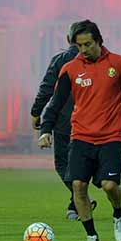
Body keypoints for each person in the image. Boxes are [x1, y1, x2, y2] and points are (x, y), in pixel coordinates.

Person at [38, 20, 121, 241]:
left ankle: (118, 214)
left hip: (111, 135)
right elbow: (56, 102)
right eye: (79, 46)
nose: (84, 50)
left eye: (88, 44)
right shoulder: (70, 69)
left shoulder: (119, 63)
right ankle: (92, 237)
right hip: (81, 136)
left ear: (99, 40)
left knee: (109, 185)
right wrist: (46, 129)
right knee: (78, 185)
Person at [30, 21, 96, 220]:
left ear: (68, 39)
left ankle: (80, 198)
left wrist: (36, 113)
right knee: (81, 163)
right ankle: (76, 203)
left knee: (62, 164)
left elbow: (46, 88)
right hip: (91, 122)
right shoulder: (98, 60)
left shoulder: (60, 60)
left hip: (64, 123)